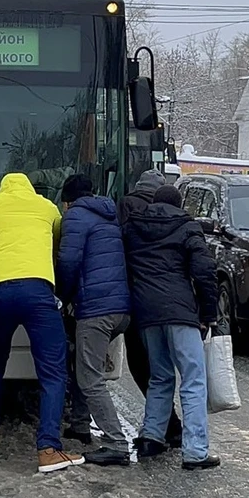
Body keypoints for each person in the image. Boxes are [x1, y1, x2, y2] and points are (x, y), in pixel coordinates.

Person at [0, 173, 83, 474]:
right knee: (54, 372)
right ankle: (48, 449)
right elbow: (58, 243)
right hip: (39, 293)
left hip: (1, 293)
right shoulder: (47, 208)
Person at [124, 184, 220, 470]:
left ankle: (152, 437)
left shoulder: (133, 228)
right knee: (193, 379)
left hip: (146, 313)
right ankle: (195, 451)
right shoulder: (188, 227)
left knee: (160, 376)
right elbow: (204, 272)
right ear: (179, 204)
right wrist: (209, 313)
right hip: (180, 311)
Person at [56, 175, 132, 467]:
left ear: (67, 201)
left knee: (90, 376)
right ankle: (79, 424)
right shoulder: (108, 214)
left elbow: (68, 261)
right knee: (85, 364)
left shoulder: (75, 216)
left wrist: (61, 295)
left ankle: (116, 443)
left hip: (96, 309)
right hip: (120, 308)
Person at [118, 169, 183, 448]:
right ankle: (174, 428)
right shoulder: (171, 216)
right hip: (166, 303)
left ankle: (161, 428)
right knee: (167, 369)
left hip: (128, 296)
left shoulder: (123, 210)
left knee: (143, 365)